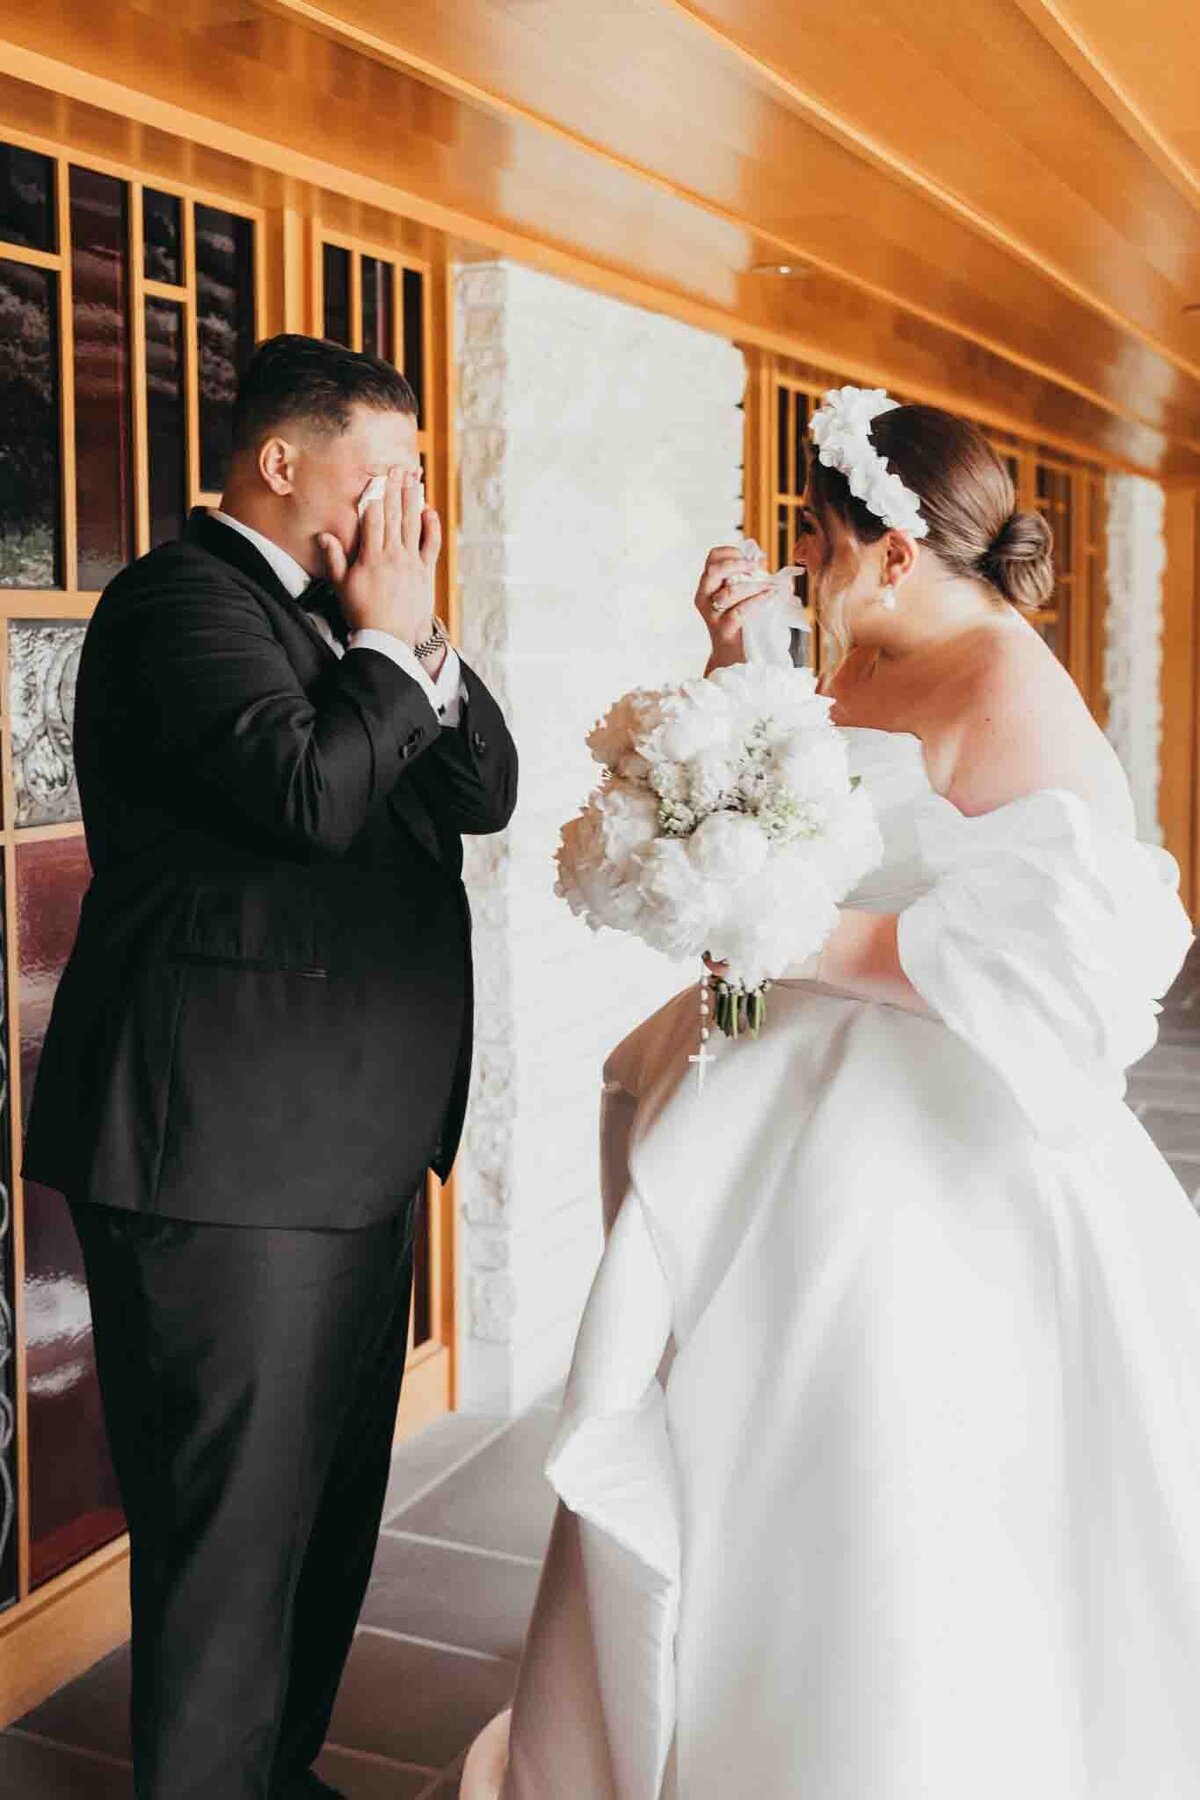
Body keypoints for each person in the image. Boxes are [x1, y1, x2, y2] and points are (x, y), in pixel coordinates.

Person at [463, 392, 1198, 1799]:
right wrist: (739, 665)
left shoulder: (1011, 691)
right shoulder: (874, 646)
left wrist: (803, 939)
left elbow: (1071, 975)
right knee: (719, 1422)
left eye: (821, 537)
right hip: (777, 1080)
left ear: (896, 553)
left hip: (917, 1146)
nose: (806, 561)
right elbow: (801, 807)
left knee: (865, 1458)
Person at [24, 333, 518, 1800]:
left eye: (418, 477)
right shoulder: (179, 604)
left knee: (325, 1510)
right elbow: (308, 793)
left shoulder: (364, 617)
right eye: (385, 472)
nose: (405, 506)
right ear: (284, 462)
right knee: (230, 1539)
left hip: (344, 1144)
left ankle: (273, 1771)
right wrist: (381, 642)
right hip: (221, 1152)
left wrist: (415, 637)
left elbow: (483, 787)